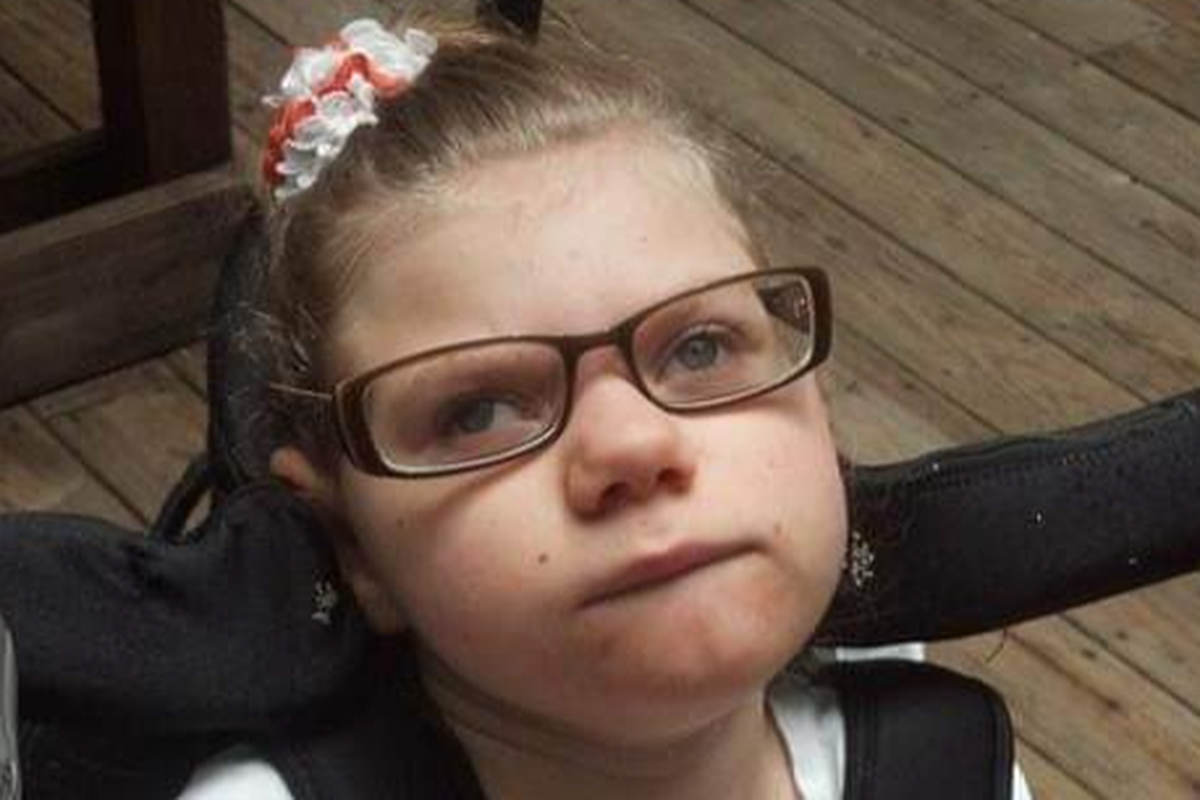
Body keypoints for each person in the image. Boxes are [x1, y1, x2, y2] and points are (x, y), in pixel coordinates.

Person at [178, 12, 1033, 800]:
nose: (631, 444)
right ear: (351, 543)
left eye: (700, 349)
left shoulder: (950, 764)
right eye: (478, 412)